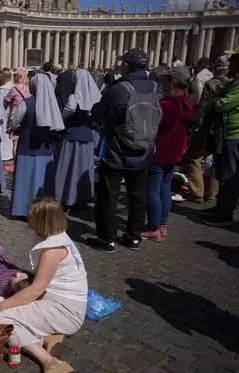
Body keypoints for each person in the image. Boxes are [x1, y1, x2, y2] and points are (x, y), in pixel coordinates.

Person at [0, 197, 87, 373]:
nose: (26, 216)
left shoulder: (53, 250)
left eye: (31, 214)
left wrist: (0, 307)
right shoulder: (47, 236)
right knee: (6, 305)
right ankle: (48, 336)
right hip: (57, 301)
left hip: (66, 310)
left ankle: (51, 362)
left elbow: (35, 290)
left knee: (0, 319)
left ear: (43, 220)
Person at [87, 49, 162, 253]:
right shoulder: (153, 87)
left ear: (127, 66)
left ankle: (107, 240)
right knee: (138, 197)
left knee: (108, 198)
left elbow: (99, 115)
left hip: (116, 152)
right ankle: (133, 237)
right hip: (144, 151)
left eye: (122, 63)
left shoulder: (118, 89)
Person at [142, 67, 195, 241]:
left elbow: (151, 127)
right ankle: (162, 225)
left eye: (164, 81)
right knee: (165, 188)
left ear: (172, 82)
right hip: (175, 151)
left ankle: (154, 227)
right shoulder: (186, 103)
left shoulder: (166, 105)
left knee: (153, 190)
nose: (161, 84)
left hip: (161, 150)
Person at [200, 45, 239, 226]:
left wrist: (217, 98)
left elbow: (222, 104)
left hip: (238, 133)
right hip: (228, 131)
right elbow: (215, 94)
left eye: (234, 59)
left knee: (231, 174)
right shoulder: (237, 78)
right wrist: (223, 85)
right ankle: (221, 206)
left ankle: (225, 213)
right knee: (223, 172)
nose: (229, 62)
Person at [8, 73, 61, 217]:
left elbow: (15, 122)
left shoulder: (27, 102)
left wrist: (19, 128)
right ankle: (44, 209)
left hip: (27, 146)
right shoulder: (52, 104)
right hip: (46, 149)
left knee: (26, 179)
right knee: (41, 179)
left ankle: (24, 209)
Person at [55, 69, 102, 209]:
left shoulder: (74, 98)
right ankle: (82, 196)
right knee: (83, 168)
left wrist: (60, 121)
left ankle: (66, 196)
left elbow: (66, 112)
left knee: (67, 168)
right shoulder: (96, 98)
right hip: (87, 137)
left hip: (72, 136)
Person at [186, 55, 229, 203]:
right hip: (226, 128)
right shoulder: (236, 84)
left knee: (194, 156)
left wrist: (195, 122)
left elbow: (203, 104)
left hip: (208, 126)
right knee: (218, 158)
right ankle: (212, 194)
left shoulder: (212, 83)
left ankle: (197, 191)